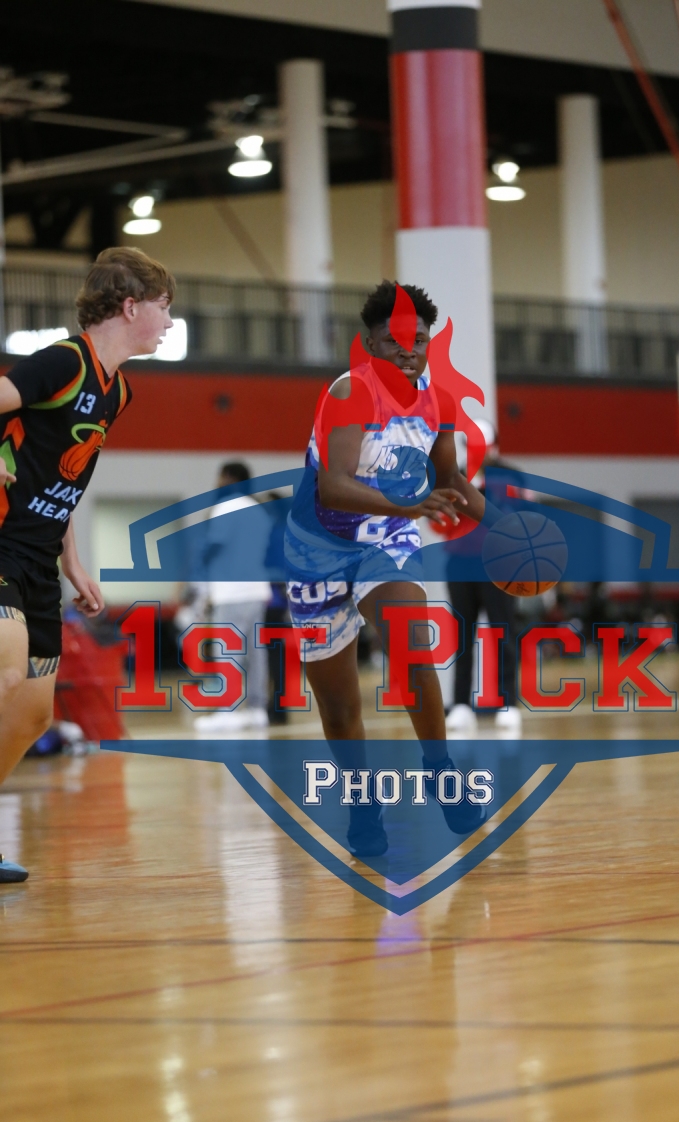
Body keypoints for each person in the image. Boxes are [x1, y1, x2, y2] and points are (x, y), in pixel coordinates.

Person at [286, 280, 489, 856]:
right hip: (318, 546)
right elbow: (334, 485)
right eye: (394, 339)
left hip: (387, 535)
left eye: (417, 339)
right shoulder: (350, 391)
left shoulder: (438, 400)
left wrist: (505, 529)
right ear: (371, 343)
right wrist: (410, 503)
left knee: (411, 645)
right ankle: (361, 801)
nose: (407, 349)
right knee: (339, 706)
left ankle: (440, 770)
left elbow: (449, 480)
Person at [0, 247, 175, 882]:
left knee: (33, 714)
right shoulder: (63, 362)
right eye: (164, 307)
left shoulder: (116, 390)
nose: (169, 322)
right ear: (130, 307)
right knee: (5, 666)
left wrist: (73, 562)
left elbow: (63, 479)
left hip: (39, 558)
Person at [438, 420, 522, 736]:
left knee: (503, 632)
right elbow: (442, 521)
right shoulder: (454, 477)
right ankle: (461, 704)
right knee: (462, 635)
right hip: (461, 565)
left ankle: (508, 702)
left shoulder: (510, 477)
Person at [193, 461, 273, 733]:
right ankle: (257, 709)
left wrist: (201, 562)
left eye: (220, 478)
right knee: (255, 652)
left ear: (230, 479)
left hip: (231, 592)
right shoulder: (259, 510)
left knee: (228, 651)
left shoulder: (225, 507)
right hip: (257, 590)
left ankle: (228, 709)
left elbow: (214, 545)